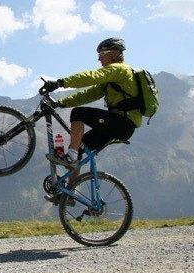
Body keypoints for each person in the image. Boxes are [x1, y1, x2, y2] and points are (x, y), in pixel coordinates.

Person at [40, 37, 141, 172]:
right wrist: (60, 103)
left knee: (78, 113)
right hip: (120, 125)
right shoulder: (112, 78)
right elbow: (89, 94)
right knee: (79, 148)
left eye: (101, 54)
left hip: (122, 122)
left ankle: (71, 156)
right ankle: (70, 190)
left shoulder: (119, 70)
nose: (99, 59)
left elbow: (91, 76)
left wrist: (60, 83)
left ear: (114, 54)